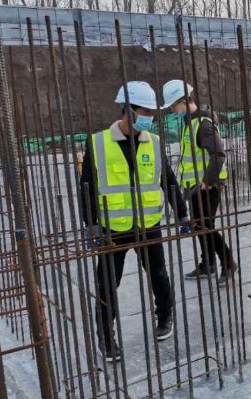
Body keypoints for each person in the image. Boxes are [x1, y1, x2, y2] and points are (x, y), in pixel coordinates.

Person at [80, 81, 189, 362]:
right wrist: (90, 224)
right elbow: (86, 186)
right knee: (107, 284)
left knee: (158, 275)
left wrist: (182, 213)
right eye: (145, 112)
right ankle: (106, 337)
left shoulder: (154, 142)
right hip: (112, 229)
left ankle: (165, 317)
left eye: (152, 113)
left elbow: (168, 180)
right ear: (128, 110)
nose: (150, 118)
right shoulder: (98, 143)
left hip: (148, 224)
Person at [161, 79, 237, 283]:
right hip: (194, 185)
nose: (172, 110)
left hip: (207, 186)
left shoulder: (203, 124)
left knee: (205, 225)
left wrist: (207, 181)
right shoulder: (191, 123)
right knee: (199, 226)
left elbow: (218, 154)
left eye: (173, 106)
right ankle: (208, 263)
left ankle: (228, 262)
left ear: (183, 101)